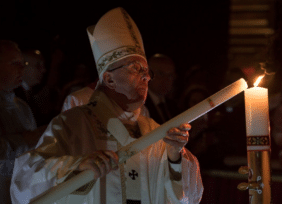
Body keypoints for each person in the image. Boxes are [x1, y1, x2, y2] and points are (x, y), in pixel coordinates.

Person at [10, 7, 203, 204]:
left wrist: (173, 156)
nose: (146, 76)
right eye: (136, 68)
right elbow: (25, 181)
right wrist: (76, 165)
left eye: (147, 71)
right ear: (109, 79)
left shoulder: (154, 132)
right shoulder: (73, 124)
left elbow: (189, 196)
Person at [0, 40, 45, 204]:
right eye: (14, 63)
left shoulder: (22, 107)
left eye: (22, 63)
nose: (22, 69)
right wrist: (25, 140)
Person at [145, 53, 179, 124]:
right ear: (148, 74)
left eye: (170, 75)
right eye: (161, 74)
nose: (166, 79)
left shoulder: (173, 106)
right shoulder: (140, 105)